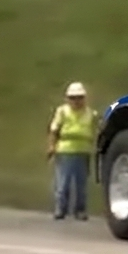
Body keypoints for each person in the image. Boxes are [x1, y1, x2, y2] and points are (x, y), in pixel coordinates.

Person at [47, 82, 100, 221]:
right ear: (67, 98)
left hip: (83, 151)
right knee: (63, 183)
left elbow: (97, 130)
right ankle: (61, 209)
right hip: (65, 150)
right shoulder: (62, 111)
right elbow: (54, 130)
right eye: (73, 97)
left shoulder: (90, 113)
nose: (76, 101)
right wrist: (51, 147)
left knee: (81, 183)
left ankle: (80, 210)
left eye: (79, 97)